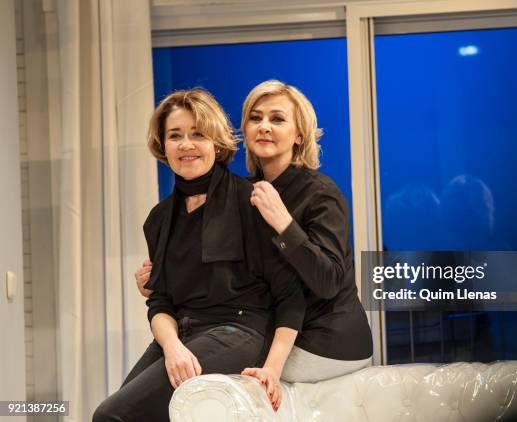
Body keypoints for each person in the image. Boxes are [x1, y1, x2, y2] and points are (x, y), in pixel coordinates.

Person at [94, 89, 304, 421]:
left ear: (217, 143)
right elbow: (160, 303)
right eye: (175, 136)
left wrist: (272, 369)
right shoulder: (159, 219)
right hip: (183, 334)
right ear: (163, 146)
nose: (186, 145)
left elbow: (291, 295)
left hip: (239, 330)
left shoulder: (250, 201)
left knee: (115, 415)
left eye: (198, 135)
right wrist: (173, 346)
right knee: (107, 415)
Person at [239, 80, 373, 383]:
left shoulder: (322, 193)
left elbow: (327, 281)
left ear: (300, 135)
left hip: (330, 341)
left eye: (277, 119)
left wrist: (284, 223)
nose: (264, 126)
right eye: (255, 117)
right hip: (281, 332)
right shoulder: (244, 192)